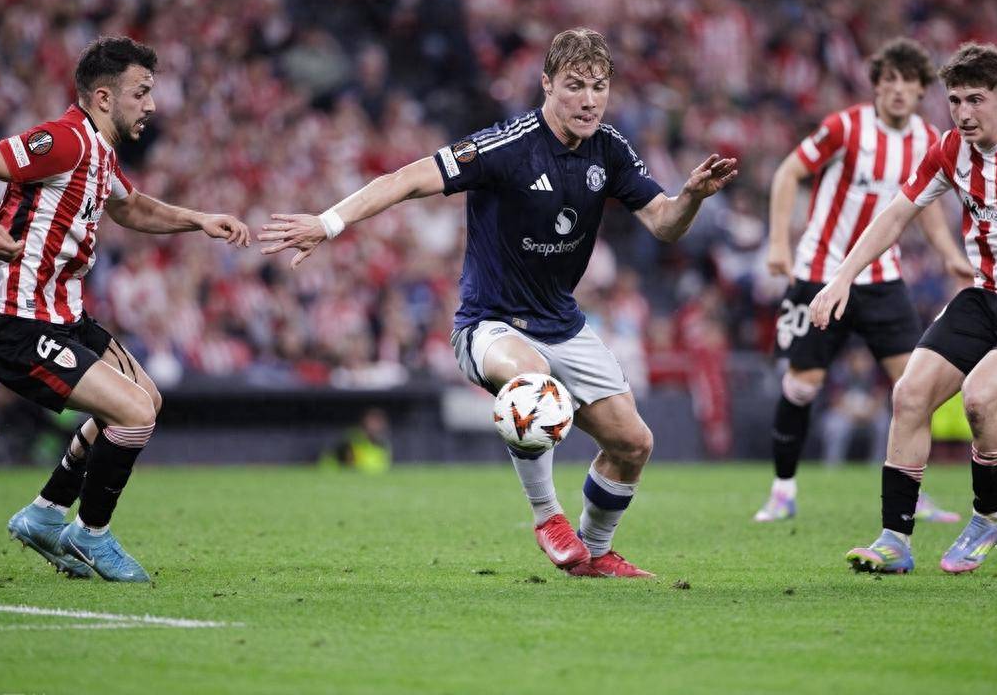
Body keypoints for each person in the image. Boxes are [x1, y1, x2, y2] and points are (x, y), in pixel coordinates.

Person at [260, 28, 736, 577]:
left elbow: (664, 224)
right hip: (491, 325)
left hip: (563, 323)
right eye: (575, 85)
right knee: (533, 383)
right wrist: (328, 222)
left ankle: (595, 553)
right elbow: (406, 179)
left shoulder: (609, 148)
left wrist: (690, 198)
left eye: (599, 87)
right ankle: (547, 516)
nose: (589, 100)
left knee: (633, 443)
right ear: (546, 84)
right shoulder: (506, 146)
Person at [810, 42, 997, 573]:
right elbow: (895, 214)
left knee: (978, 398)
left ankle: (988, 517)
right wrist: (842, 278)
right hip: (985, 295)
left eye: (975, 100)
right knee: (909, 394)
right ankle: (894, 541)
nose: (964, 113)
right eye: (954, 101)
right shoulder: (949, 151)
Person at [0, 36, 250, 582]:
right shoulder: (64, 140)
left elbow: (130, 207)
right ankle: (91, 533)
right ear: (103, 97)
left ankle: (46, 512)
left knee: (147, 399)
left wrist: (199, 220)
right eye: (141, 93)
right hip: (12, 320)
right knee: (133, 413)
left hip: (61, 316)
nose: (152, 105)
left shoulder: (100, 150)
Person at [753, 38, 972, 523]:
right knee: (803, 385)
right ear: (875, 86)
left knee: (914, 388)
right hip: (819, 274)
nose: (898, 89)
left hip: (881, 279)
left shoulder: (927, 139)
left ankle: (913, 493)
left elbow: (925, 206)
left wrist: (949, 256)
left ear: (921, 90)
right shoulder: (845, 127)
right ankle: (783, 490)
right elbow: (788, 173)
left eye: (908, 81)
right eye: (888, 79)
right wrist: (778, 244)